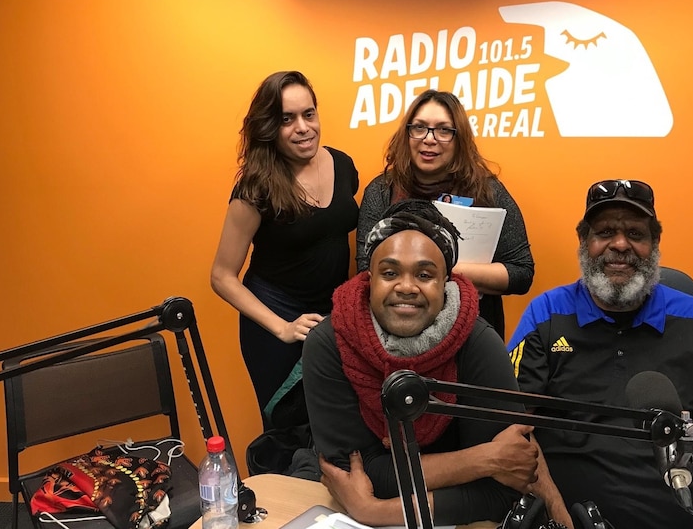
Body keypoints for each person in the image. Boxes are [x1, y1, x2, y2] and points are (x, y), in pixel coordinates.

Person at [508, 179, 693, 529]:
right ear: (584, 241)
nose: (619, 244)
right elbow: (514, 429)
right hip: (585, 521)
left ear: (655, 244)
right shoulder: (545, 318)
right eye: (605, 232)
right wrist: (559, 516)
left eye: (635, 233)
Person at [303, 201, 559, 526]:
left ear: (445, 285)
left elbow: (503, 491)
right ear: (368, 280)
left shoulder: (478, 342)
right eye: (390, 272)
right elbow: (348, 473)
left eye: (424, 275)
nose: (406, 287)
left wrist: (375, 509)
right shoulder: (329, 343)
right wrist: (481, 460)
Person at [210, 70, 359, 427]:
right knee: (287, 430)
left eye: (309, 114)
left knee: (336, 424)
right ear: (269, 128)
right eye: (287, 120)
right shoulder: (256, 187)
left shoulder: (342, 164)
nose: (303, 127)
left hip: (330, 315)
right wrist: (282, 328)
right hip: (276, 319)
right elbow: (221, 276)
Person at [356, 90, 534, 339]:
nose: (429, 139)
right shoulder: (383, 190)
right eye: (419, 127)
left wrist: (443, 270)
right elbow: (365, 270)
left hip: (470, 333)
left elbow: (522, 273)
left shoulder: (487, 191)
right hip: (396, 333)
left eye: (443, 130)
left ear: (459, 138)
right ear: (406, 134)